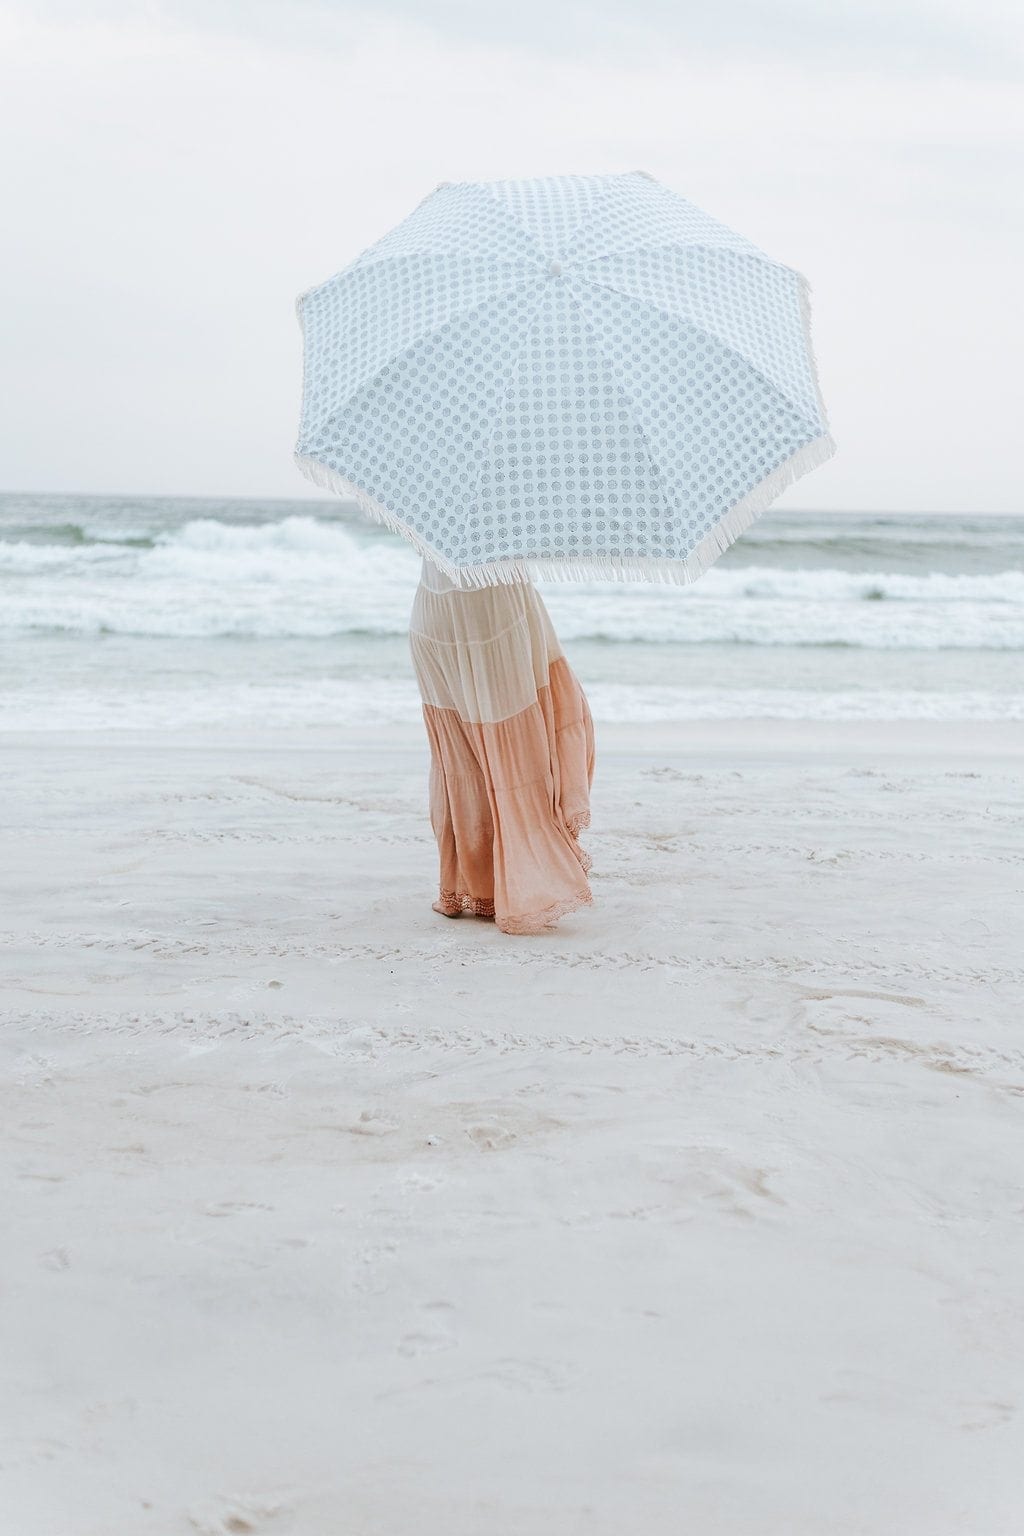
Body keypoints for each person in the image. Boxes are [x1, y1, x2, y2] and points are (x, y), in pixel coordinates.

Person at [409, 554, 595, 935]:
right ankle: (520, 882)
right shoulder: (508, 508)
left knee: (462, 759)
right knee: (516, 756)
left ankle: (476, 884)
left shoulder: (431, 504)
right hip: (492, 612)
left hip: (435, 612)